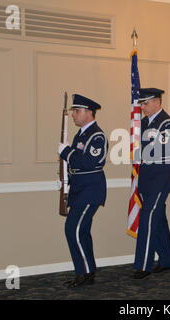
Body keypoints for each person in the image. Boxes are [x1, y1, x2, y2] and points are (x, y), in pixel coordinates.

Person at [58, 94, 108, 287]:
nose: (73, 115)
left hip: (91, 190)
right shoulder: (80, 135)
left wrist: (66, 152)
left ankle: (84, 272)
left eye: (76, 111)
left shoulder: (97, 135)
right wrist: (65, 180)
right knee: (82, 231)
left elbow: (89, 162)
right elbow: (75, 165)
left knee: (73, 229)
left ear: (88, 112)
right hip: (79, 189)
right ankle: (88, 272)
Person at [132, 88, 170, 279]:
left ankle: (144, 265)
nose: (142, 107)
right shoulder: (143, 122)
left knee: (148, 218)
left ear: (158, 102)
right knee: (158, 218)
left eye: (146, 103)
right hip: (147, 175)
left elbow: (160, 149)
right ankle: (166, 260)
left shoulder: (167, 122)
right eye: (141, 103)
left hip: (160, 175)